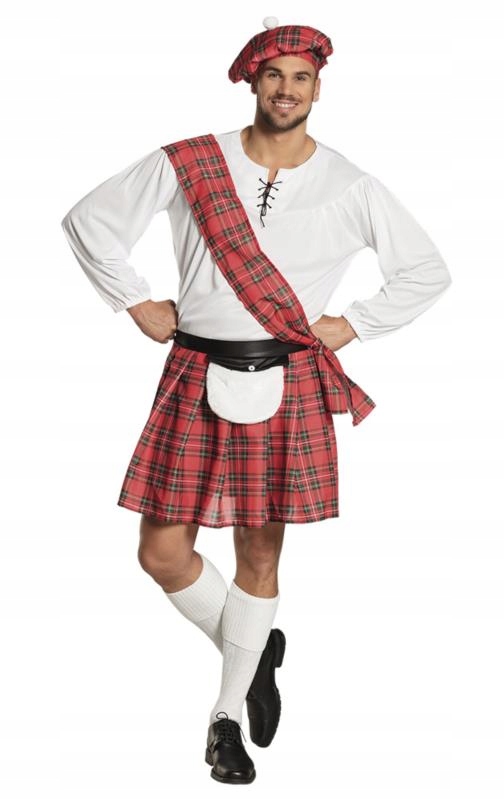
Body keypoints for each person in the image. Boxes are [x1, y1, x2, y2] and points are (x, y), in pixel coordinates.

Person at [60, 18, 452, 785]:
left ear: (318, 88)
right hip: (194, 370)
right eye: (274, 75)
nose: (286, 89)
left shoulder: (349, 184)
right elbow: (89, 222)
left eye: (301, 77)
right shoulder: (191, 161)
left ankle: (225, 719)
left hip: (287, 380)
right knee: (160, 551)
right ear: (253, 81)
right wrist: (135, 300)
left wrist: (354, 324)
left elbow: (426, 271)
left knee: (260, 555)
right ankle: (252, 647)